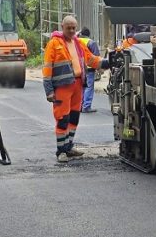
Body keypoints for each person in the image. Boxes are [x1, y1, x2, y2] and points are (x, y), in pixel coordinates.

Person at [43, 16, 109, 163]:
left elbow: (91, 59)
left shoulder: (78, 43)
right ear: (62, 27)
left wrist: (107, 62)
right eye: (69, 28)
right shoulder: (54, 44)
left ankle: (69, 147)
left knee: (74, 117)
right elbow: (47, 68)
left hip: (78, 85)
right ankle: (61, 151)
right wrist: (49, 91)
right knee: (62, 119)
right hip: (62, 88)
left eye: (74, 28)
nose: (72, 30)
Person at [78, 27, 100, 113]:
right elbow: (96, 56)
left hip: (78, 68)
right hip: (89, 69)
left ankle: (79, 105)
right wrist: (99, 68)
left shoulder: (76, 41)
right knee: (88, 87)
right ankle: (86, 106)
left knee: (81, 87)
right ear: (88, 34)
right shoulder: (91, 42)